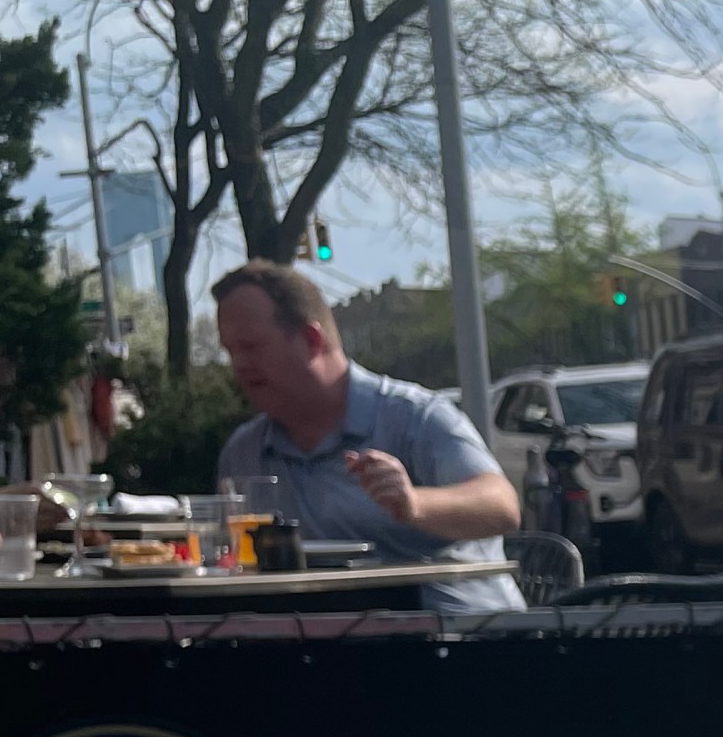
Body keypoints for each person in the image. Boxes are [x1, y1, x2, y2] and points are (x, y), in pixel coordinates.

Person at [211, 260, 523, 613]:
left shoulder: (413, 416)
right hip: (316, 648)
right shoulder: (244, 451)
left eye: (251, 347)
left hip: (460, 641)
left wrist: (415, 504)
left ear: (312, 340)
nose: (238, 365)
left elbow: (501, 507)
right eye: (230, 351)